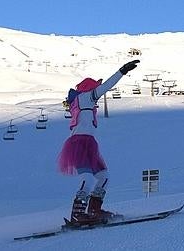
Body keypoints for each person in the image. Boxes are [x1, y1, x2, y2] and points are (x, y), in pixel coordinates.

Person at [58, 60, 140, 225]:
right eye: (95, 87)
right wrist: (122, 71)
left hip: (89, 144)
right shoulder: (85, 98)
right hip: (79, 145)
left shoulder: (85, 102)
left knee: (104, 177)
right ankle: (77, 214)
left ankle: (94, 210)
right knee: (87, 178)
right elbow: (107, 86)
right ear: (89, 89)